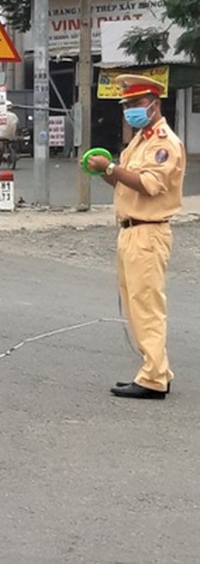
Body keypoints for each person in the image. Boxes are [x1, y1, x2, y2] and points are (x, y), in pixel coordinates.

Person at [85, 74, 185, 400]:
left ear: (155, 104)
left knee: (146, 306)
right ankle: (158, 369)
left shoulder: (163, 143)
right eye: (126, 105)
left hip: (148, 231)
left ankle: (154, 378)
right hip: (130, 230)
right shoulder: (140, 140)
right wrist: (104, 171)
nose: (130, 110)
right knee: (135, 304)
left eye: (136, 104)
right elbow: (126, 183)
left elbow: (149, 184)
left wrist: (111, 168)